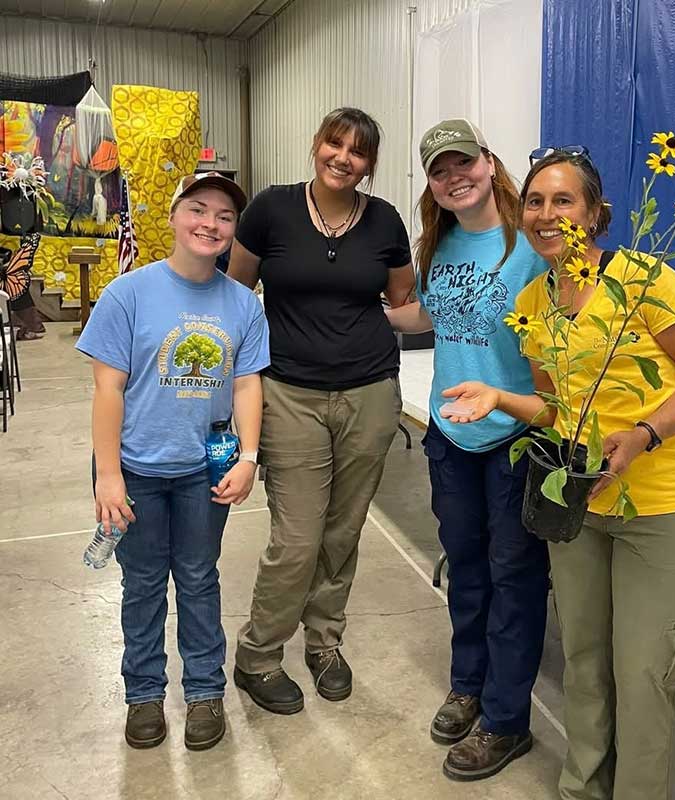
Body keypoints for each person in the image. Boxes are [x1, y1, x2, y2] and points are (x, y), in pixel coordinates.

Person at [442, 148, 675, 799]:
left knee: (644, 671)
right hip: (580, 507)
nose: (547, 214)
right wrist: (501, 399)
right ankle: (582, 788)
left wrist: (647, 432)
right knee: (584, 663)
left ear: (595, 214)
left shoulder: (644, 278)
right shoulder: (532, 302)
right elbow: (557, 408)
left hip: (661, 510)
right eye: (536, 202)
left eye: (563, 200)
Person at [227, 107, 415, 714]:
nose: (344, 158)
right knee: (298, 537)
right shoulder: (272, 210)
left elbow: (402, 299)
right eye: (335, 144)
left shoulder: (384, 221)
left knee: (344, 529)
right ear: (317, 146)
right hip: (289, 395)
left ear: (370, 164)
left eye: (358, 152)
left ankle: (325, 640)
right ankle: (258, 655)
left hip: (369, 394)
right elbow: (236, 295)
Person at [76, 172, 270, 751]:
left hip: (201, 470)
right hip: (134, 469)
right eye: (198, 210)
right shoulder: (128, 294)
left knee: (198, 577)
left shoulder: (242, 303)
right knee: (141, 584)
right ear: (174, 216)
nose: (210, 224)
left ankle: (206, 691)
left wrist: (250, 457)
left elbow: (246, 386)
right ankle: (143, 695)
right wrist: (108, 477)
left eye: (224, 216)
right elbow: (107, 390)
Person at [386, 119, 550, 782]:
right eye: (439, 169)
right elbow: (427, 314)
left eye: (464, 163)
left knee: (516, 578)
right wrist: (348, 303)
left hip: (515, 434)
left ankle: (508, 721)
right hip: (451, 434)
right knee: (465, 563)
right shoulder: (442, 242)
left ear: (489, 161)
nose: (455, 177)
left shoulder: (530, 243)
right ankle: (468, 684)